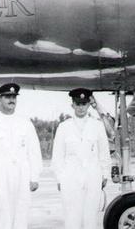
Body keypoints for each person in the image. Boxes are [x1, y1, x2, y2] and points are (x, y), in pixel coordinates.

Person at [0, 83, 43, 229]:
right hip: (0, 177)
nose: (11, 100)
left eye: (13, 97)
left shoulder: (26, 124)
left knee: (22, 216)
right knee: (3, 216)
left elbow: (34, 152)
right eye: (7, 97)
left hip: (22, 176)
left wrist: (35, 177)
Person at [51, 88, 111, 229]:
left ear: (88, 105)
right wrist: (60, 178)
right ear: (72, 105)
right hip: (70, 178)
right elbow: (57, 156)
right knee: (72, 218)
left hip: (92, 176)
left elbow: (104, 153)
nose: (81, 108)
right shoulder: (64, 127)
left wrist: (105, 174)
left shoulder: (97, 126)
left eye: (84, 104)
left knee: (91, 218)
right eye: (78, 104)